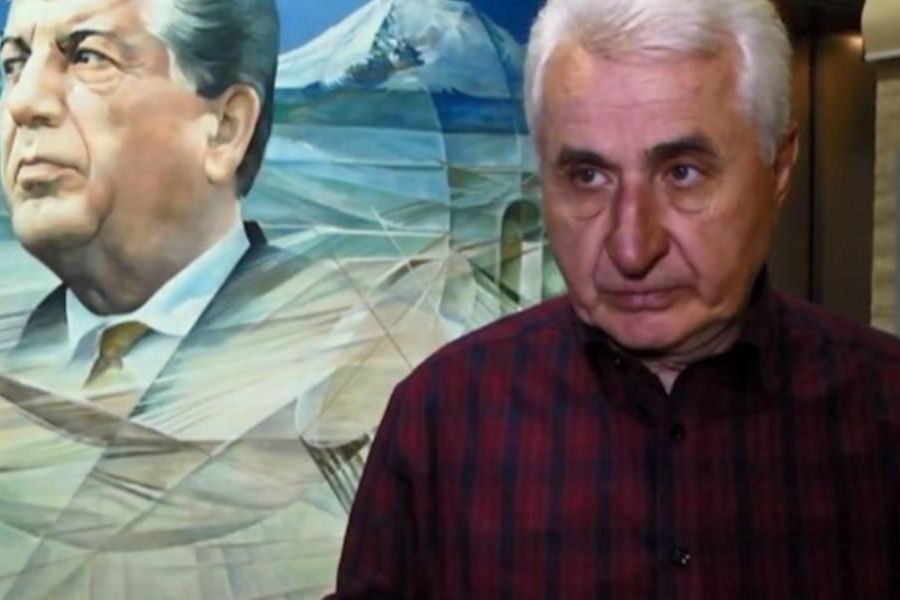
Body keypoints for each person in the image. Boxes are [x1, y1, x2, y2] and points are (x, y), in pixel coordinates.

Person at [332, 0, 900, 597]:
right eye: (587, 177)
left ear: (779, 167)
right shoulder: (440, 422)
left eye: (683, 172)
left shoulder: (886, 414)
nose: (632, 247)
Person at [0, 1, 350, 597]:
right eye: (14, 63)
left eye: (88, 57)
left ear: (225, 128)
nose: (23, 101)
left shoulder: (355, 371)